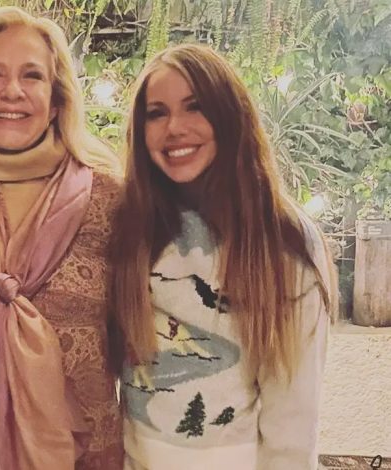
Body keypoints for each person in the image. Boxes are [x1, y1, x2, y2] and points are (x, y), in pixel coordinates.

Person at [112, 43, 337, 470]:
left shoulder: (284, 240)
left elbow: (293, 416)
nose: (174, 127)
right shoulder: (131, 227)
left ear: (230, 115)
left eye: (195, 106)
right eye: (156, 113)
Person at [0, 6, 123, 469]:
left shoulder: (111, 200)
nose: (11, 91)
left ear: (56, 99)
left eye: (31, 76)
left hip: (82, 456)